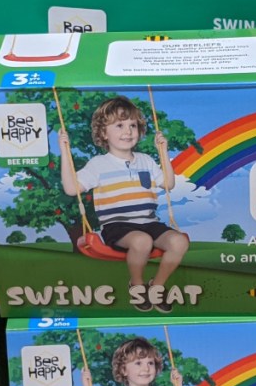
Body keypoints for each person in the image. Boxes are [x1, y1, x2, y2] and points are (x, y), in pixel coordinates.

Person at [59, 95, 189, 313]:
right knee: (142, 241)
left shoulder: (146, 160)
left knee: (179, 242)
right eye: (119, 125)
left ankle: (157, 287)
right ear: (103, 133)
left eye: (132, 125)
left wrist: (163, 152)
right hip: (117, 226)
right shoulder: (98, 165)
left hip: (148, 222)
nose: (128, 131)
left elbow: (168, 184)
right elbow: (72, 189)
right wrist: (64, 151)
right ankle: (137, 285)